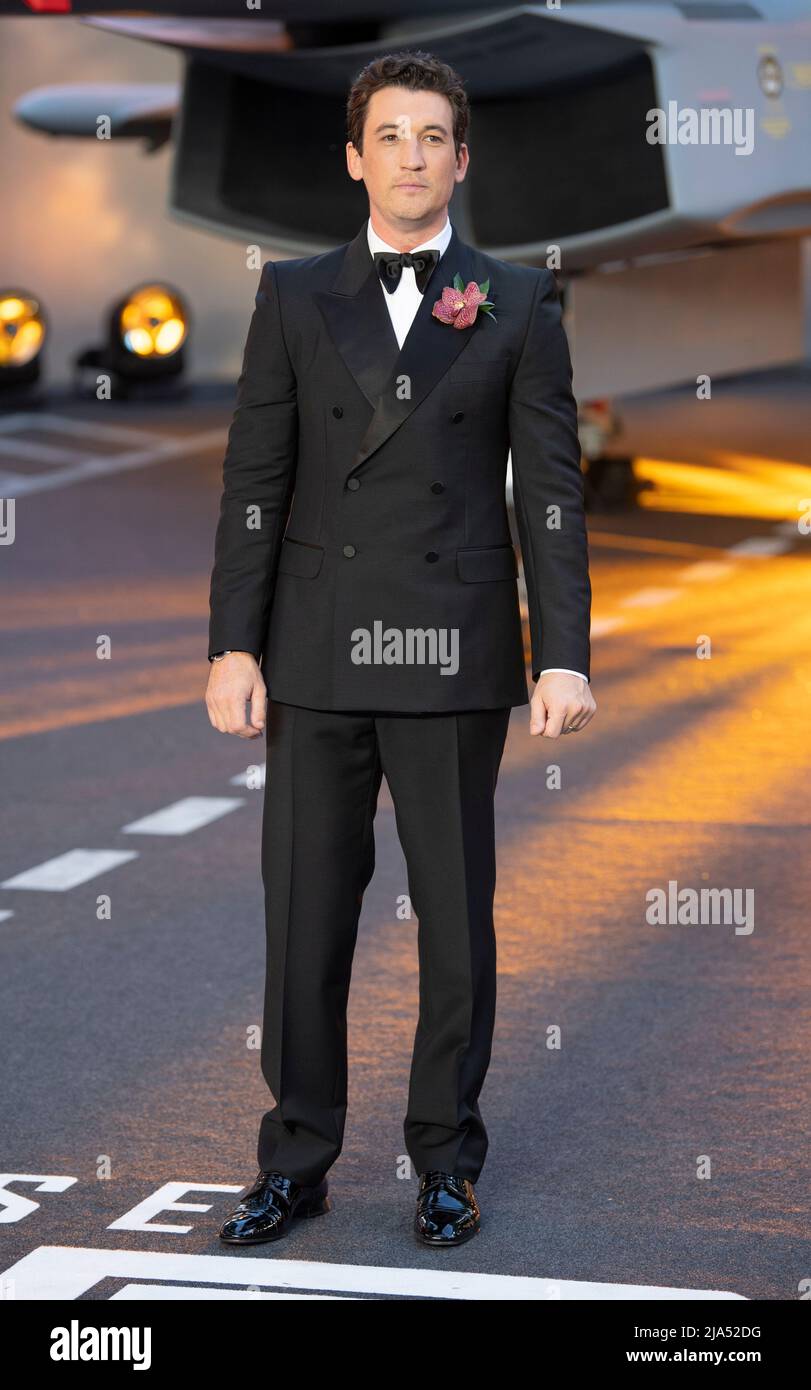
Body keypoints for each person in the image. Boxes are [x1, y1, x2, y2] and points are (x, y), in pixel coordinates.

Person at [206, 49, 596, 1249]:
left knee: (455, 921)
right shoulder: (292, 294)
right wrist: (234, 645)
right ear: (354, 156)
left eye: (433, 136)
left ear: (461, 160)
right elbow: (255, 483)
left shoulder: (521, 300)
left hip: (455, 648)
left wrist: (562, 651)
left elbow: (549, 495)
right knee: (305, 915)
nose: (412, 156)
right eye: (390, 135)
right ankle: (298, 1158)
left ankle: (444, 1158)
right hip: (318, 649)